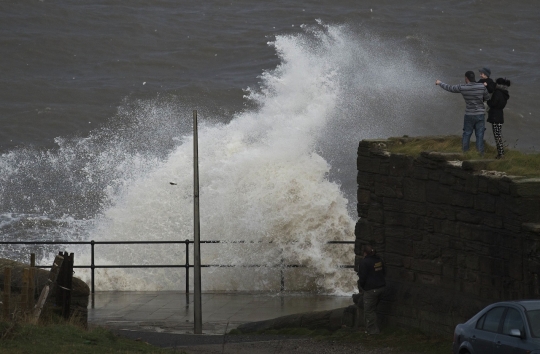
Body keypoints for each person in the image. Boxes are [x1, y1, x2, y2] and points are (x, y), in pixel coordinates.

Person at [436, 71, 489, 155]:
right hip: (480, 114)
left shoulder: (462, 87)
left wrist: (440, 83)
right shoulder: (481, 86)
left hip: (469, 114)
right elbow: (487, 97)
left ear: (466, 78)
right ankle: (480, 154)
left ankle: (465, 153)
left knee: (467, 134)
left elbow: (450, 88)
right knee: (479, 135)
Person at [357, 244, 386, 334]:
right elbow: (384, 272)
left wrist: (362, 287)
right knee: (373, 309)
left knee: (369, 311)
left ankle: (372, 331)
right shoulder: (379, 260)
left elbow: (362, 277)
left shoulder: (364, 262)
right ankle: (372, 328)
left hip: (371, 290)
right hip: (381, 287)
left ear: (365, 253)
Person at [487, 78, 511, 159]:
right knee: (498, 135)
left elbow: (493, 103)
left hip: (495, 116)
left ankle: (501, 154)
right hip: (500, 115)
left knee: (497, 135)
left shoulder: (497, 92)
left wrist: (488, 101)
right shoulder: (505, 94)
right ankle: (501, 153)